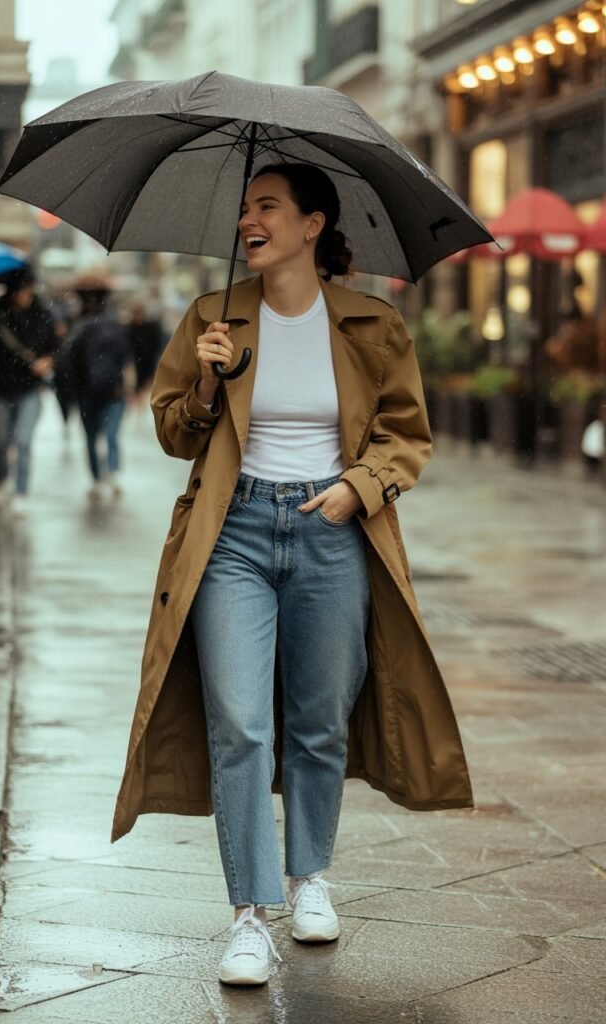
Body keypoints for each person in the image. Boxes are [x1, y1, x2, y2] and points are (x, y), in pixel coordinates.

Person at [111, 163, 472, 986]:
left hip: (332, 531)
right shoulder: (213, 317)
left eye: (267, 206)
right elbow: (174, 432)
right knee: (240, 722)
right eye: (245, 208)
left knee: (319, 720)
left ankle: (310, 877)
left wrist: (358, 487)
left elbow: (406, 433)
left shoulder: (371, 324)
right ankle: (249, 915)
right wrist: (207, 380)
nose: (250, 220)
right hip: (232, 533)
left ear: (313, 225)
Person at [0, 267, 58, 516]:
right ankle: (3, 481)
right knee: (1, 441)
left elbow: (56, 346)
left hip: (29, 389)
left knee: (23, 440)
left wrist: (47, 361)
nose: (28, 294)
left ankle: (21, 491)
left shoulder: (42, 314)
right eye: (23, 289)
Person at [69, 279, 133, 498]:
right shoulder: (115, 326)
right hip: (113, 391)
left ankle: (97, 478)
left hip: (89, 392)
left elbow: (69, 363)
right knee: (110, 434)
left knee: (91, 437)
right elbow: (126, 358)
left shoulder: (79, 328)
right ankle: (111, 473)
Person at [126, 300, 164, 400]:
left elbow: (156, 345)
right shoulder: (129, 329)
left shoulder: (150, 328)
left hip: (148, 360)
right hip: (136, 361)